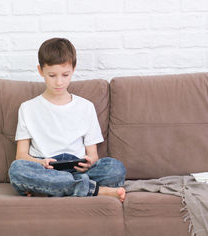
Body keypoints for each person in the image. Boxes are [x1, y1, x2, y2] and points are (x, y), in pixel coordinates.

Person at [8, 38, 126, 202]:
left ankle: (50, 190)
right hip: (45, 170)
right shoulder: (27, 108)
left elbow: (93, 155)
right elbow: (21, 155)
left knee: (115, 168)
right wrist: (40, 162)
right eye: (52, 75)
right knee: (17, 170)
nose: (59, 82)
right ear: (40, 71)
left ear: (73, 69)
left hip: (78, 170)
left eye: (65, 75)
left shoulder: (86, 106)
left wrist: (90, 162)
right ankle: (95, 190)